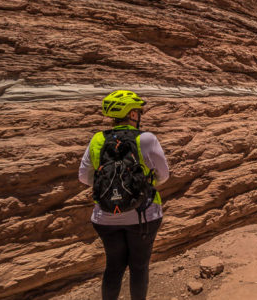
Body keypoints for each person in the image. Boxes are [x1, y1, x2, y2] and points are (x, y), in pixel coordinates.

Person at [78, 90, 169, 300]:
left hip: (105, 216)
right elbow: (163, 175)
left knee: (114, 266)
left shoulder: (97, 139)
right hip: (143, 216)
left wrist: (110, 187)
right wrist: (140, 184)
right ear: (133, 115)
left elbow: (84, 177)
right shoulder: (146, 138)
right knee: (139, 266)